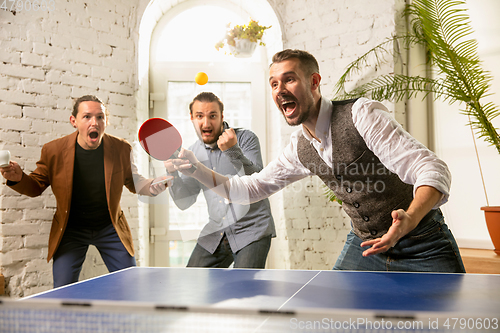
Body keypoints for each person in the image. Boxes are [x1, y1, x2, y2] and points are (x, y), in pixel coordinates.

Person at [168, 49, 465, 273]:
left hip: (423, 244)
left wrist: (409, 219)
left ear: (314, 82)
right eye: (273, 84)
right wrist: (196, 168)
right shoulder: (299, 148)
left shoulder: (361, 115)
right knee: (331, 321)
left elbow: (431, 168)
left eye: (289, 79)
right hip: (365, 247)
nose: (279, 89)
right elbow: (250, 188)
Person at [0, 95, 171, 287]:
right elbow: (36, 186)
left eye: (100, 117)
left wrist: (154, 185)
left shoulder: (121, 148)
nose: (94, 122)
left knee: (131, 285)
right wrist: (19, 178)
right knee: (62, 289)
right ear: (74, 121)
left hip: (110, 227)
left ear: (106, 121)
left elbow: (135, 183)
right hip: (71, 229)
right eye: (87, 117)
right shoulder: (53, 150)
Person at [165, 92, 275, 268]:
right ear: (192, 118)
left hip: (252, 230)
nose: (206, 123)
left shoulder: (245, 138)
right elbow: (185, 202)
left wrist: (233, 151)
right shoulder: (194, 153)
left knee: (245, 288)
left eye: (212, 116)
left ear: (222, 116)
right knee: (190, 280)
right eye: (199, 116)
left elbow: (257, 182)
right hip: (216, 231)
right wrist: (172, 174)